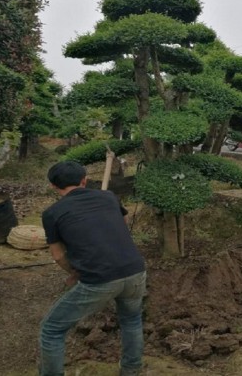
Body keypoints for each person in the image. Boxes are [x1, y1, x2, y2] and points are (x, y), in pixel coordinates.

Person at [39, 161, 146, 376]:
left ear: (53, 186)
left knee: (51, 330)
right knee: (132, 320)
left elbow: (58, 255)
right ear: (84, 180)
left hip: (100, 279)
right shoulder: (108, 196)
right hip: (135, 269)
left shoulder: (52, 213)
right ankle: (131, 371)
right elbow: (123, 220)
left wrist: (75, 272)